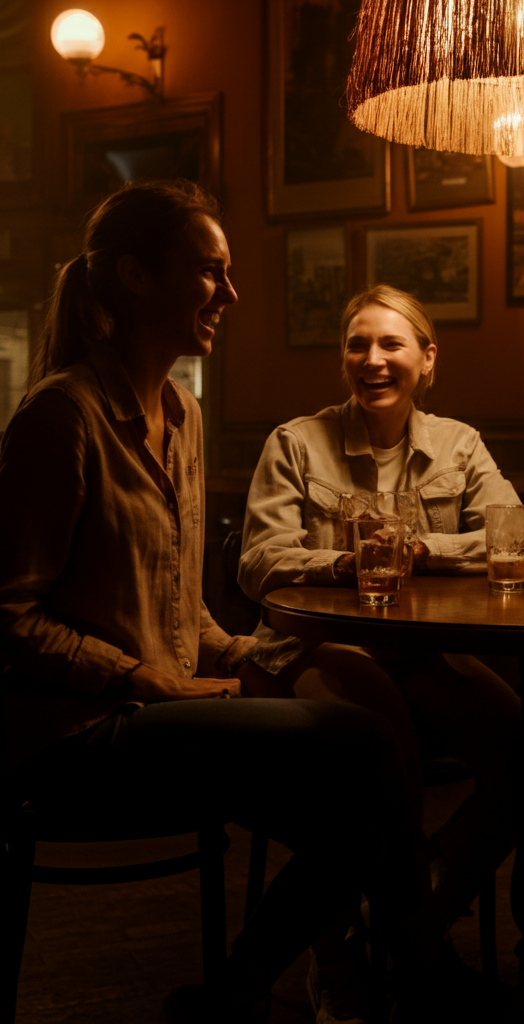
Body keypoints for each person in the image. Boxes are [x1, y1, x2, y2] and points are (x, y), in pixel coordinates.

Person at [0, 181, 418, 1024]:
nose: (230, 294)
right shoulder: (61, 416)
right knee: (366, 742)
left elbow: (181, 613)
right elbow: (6, 621)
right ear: (136, 277)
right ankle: (416, 982)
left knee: (361, 816)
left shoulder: (182, 413)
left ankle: (229, 995)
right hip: (73, 735)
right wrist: (146, 683)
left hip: (160, 717)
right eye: (209, 273)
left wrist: (262, 658)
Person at [238, 284, 524, 1017]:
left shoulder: (459, 444)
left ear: (428, 360)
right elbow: (256, 562)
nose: (372, 360)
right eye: (357, 344)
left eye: (391, 344)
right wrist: (341, 564)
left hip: (419, 652)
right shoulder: (294, 442)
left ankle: (416, 923)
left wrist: (425, 548)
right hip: (309, 650)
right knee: (381, 748)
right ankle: (343, 958)